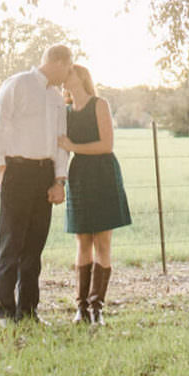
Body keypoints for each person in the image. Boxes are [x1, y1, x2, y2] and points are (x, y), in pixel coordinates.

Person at [0, 43, 72, 322]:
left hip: (45, 174)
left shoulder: (57, 98)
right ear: (59, 62)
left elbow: (61, 142)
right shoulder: (18, 84)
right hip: (18, 171)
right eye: (68, 68)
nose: (68, 74)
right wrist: (1, 166)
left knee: (34, 247)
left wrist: (59, 180)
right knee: (11, 244)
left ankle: (29, 311)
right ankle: (5, 312)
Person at [58, 62, 131, 324]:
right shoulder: (65, 111)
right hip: (79, 176)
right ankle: (81, 307)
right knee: (82, 241)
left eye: (68, 73)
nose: (64, 78)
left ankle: (97, 306)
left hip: (103, 174)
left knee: (102, 242)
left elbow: (106, 145)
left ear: (80, 77)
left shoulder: (100, 105)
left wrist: (73, 146)